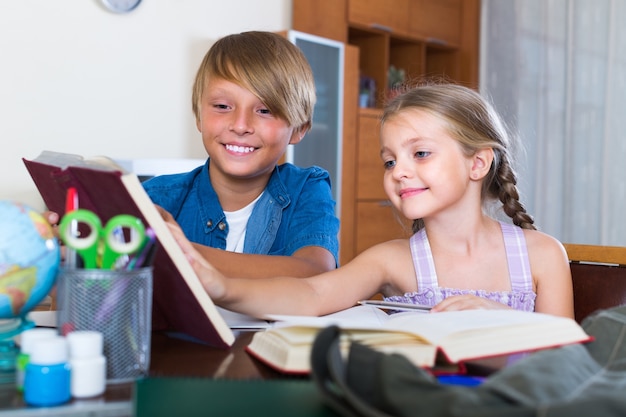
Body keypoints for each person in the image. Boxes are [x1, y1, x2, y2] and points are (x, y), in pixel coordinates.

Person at [169, 82, 574, 318]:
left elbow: (568, 360)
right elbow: (311, 294)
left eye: (420, 154)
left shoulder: (542, 256)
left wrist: (501, 322)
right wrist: (222, 289)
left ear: (478, 162)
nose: (398, 171)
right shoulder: (390, 260)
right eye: (389, 160)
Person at [140, 31, 339, 279]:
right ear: (198, 116)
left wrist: (179, 250)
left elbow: (315, 272)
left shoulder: (306, 189)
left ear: (298, 129)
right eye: (223, 107)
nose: (240, 125)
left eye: (265, 110)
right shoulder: (154, 199)